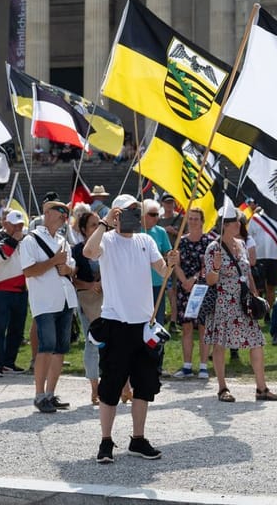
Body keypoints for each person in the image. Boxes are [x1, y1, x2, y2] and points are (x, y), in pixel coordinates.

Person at [82, 194, 178, 464]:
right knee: (111, 386)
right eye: (129, 211)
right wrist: (104, 223)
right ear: (117, 214)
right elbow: (88, 253)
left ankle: (138, 439)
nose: (135, 215)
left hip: (144, 325)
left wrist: (170, 262)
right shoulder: (107, 240)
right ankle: (105, 440)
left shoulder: (146, 241)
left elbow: (162, 271)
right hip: (116, 323)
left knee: (145, 385)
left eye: (138, 210)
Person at [202, 207, 277, 403]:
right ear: (225, 225)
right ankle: (222, 388)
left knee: (256, 341)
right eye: (235, 222)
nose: (239, 225)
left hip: (243, 302)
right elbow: (211, 281)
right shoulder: (213, 248)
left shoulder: (241, 243)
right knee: (219, 345)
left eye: (239, 221)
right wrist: (215, 267)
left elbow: (246, 273)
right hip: (223, 302)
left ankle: (261, 388)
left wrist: (255, 295)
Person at [20, 200, 79, 413]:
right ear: (47, 213)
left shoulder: (64, 241)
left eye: (66, 212)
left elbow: (71, 269)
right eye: (60, 211)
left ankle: (51, 393)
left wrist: (68, 270)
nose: (64, 215)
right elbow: (28, 271)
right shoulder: (31, 240)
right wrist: (54, 261)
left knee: (61, 348)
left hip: (65, 299)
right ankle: (39, 394)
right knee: (46, 347)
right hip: (44, 301)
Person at [169, 207, 211, 380]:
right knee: (186, 328)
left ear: (202, 221)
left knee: (203, 328)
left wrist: (193, 279)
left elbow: (208, 264)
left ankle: (203, 366)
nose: (193, 221)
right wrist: (184, 281)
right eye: (190, 218)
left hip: (202, 288)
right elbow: (175, 263)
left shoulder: (208, 241)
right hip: (184, 289)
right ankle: (187, 366)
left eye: (196, 218)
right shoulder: (181, 241)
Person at [0, 210, 29, 377]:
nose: (19, 228)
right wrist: (14, 240)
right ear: (6, 224)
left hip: (21, 290)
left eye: (20, 225)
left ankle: (9, 362)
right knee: (0, 328)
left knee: (17, 329)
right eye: (15, 225)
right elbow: (2, 255)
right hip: (3, 290)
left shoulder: (26, 239)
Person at [70, 209, 104, 405]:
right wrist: (91, 285)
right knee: (92, 344)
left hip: (110, 300)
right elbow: (72, 279)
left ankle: (123, 387)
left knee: (117, 343)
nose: (98, 227)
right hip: (88, 302)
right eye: (93, 224)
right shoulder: (76, 251)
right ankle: (94, 389)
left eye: (100, 223)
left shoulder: (109, 246)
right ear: (83, 229)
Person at [248, 208, 277, 306]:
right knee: (258, 287)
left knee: (271, 287)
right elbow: (249, 237)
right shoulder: (255, 218)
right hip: (258, 257)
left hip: (273, 257)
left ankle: (267, 314)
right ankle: (258, 310)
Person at [141, 200, 171, 327]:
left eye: (157, 214)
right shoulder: (134, 231)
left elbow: (167, 250)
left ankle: (158, 345)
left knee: (158, 319)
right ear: (143, 215)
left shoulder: (161, 231)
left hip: (158, 282)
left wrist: (171, 255)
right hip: (140, 284)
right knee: (142, 318)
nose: (156, 217)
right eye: (152, 214)